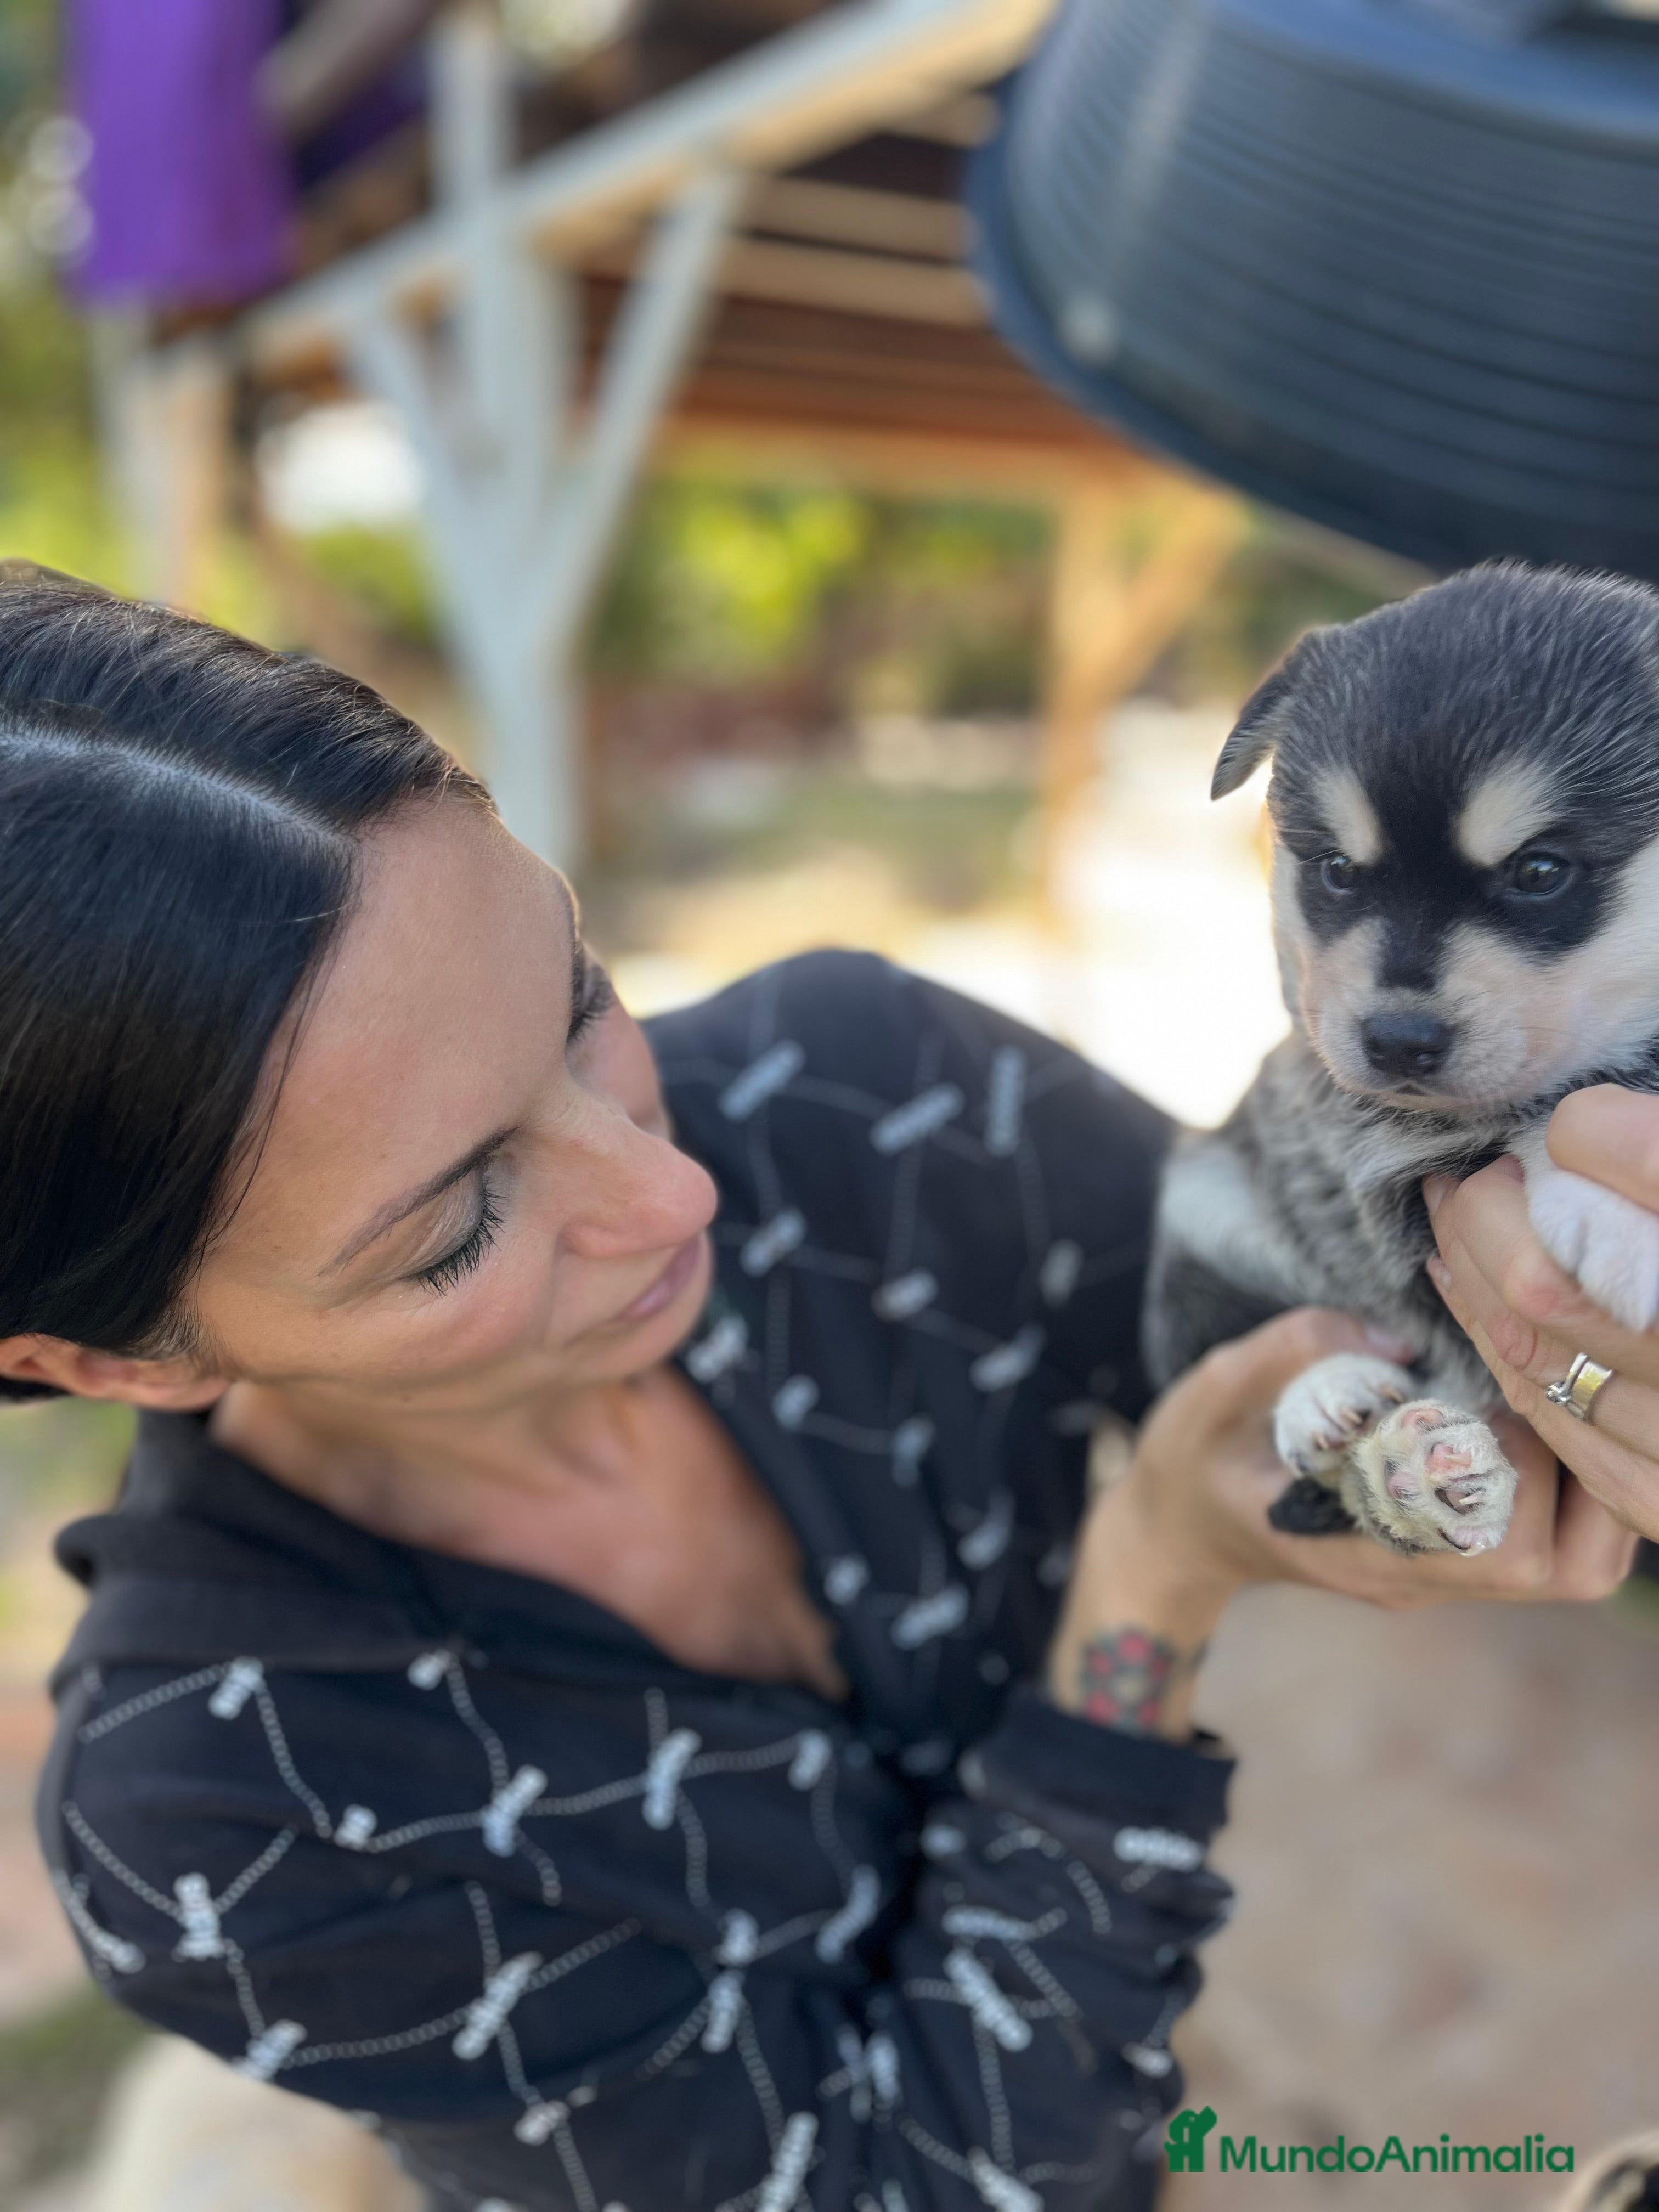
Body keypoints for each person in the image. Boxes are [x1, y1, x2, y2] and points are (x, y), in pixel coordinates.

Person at [6, 571, 1643, 2212]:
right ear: (110, 1362)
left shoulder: (856, 1097)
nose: (674, 1193)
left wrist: (1575, 1368)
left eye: (580, 1003)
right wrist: (1153, 1576)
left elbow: (1315, 1284)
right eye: (456, 1225)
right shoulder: (220, 1803)